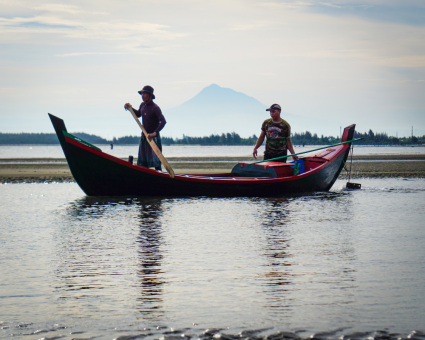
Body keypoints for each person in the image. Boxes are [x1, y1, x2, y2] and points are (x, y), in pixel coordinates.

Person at [124, 85, 166, 170]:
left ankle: (159, 177)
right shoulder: (142, 105)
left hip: (153, 138)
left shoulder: (155, 108)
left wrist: (155, 133)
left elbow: (163, 121)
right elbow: (139, 114)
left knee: (156, 162)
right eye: (142, 94)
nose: (142, 96)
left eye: (144, 94)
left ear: (150, 96)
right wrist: (130, 108)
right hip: (145, 136)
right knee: (143, 162)